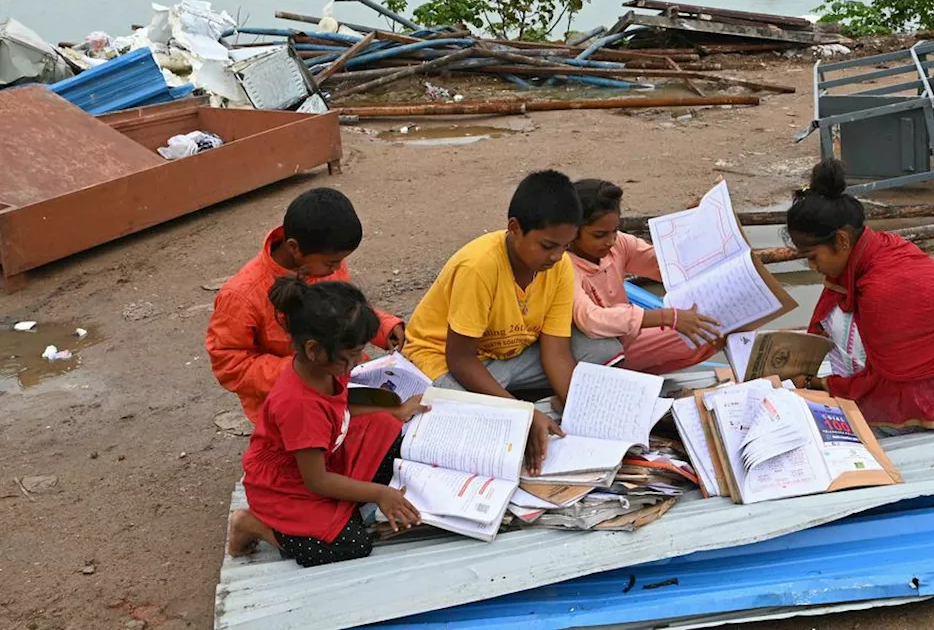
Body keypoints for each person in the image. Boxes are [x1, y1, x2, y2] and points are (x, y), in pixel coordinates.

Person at [400, 170, 622, 473]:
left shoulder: (558, 268)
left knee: (601, 350)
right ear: (515, 229)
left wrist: (581, 417)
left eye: (565, 246)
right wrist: (521, 413)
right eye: (547, 246)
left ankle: (520, 403)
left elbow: (556, 351)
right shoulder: (479, 267)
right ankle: (514, 404)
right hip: (446, 361)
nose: (557, 257)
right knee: (466, 425)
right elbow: (461, 360)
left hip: (510, 355)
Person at [227, 277, 427, 566]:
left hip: (326, 452)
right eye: (351, 355)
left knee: (388, 426)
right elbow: (316, 481)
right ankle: (253, 524)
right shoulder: (299, 405)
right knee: (352, 544)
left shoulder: (326, 369)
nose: (358, 361)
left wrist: (395, 412)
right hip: (289, 487)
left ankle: (347, 503)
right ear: (314, 350)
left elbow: (341, 407)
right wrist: (379, 493)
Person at [784, 159, 934, 431]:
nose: (812, 267)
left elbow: (876, 379)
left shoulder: (880, 287)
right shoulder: (873, 247)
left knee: (859, 412)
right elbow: (827, 304)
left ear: (842, 241)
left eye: (812, 257)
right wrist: (797, 357)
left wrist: (821, 384)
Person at [206, 188, 405, 424]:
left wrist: (384, 327)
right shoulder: (242, 295)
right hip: (288, 406)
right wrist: (305, 369)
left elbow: (347, 311)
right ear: (294, 248)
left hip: (342, 380)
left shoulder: (323, 263)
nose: (338, 267)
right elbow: (231, 365)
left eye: (340, 260)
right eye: (331, 262)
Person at [568, 179, 722, 374]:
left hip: (627, 335)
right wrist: (668, 317)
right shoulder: (564, 266)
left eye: (614, 231)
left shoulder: (618, 244)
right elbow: (591, 320)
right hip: (598, 350)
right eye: (599, 235)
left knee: (717, 326)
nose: (610, 241)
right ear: (571, 232)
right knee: (706, 334)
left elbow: (665, 266)